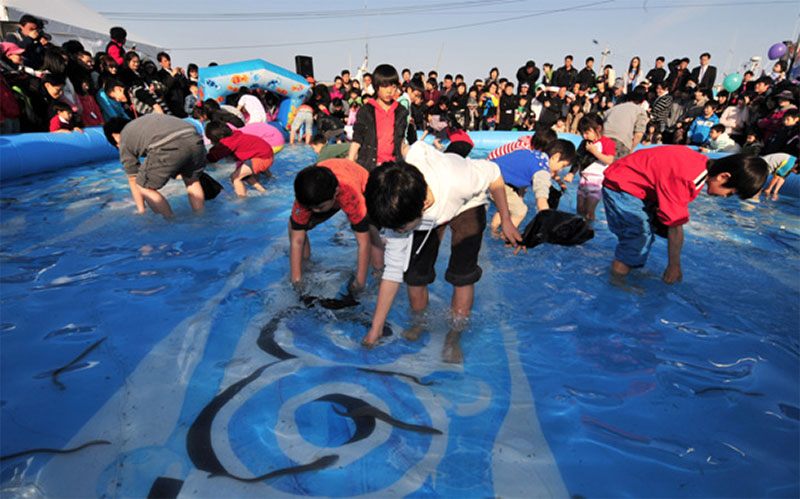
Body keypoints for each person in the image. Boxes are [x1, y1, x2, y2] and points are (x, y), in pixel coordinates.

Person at [360, 141, 523, 363]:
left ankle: (453, 336)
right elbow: (393, 272)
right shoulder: (398, 204)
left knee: (462, 274)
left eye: (399, 229)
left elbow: (494, 174)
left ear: (423, 205)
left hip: (467, 205)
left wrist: (505, 219)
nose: (396, 233)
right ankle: (419, 323)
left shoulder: (460, 180)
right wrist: (375, 329)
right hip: (425, 212)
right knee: (414, 275)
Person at [602, 148, 767, 284]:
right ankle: (617, 282)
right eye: (730, 192)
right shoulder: (687, 178)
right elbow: (675, 225)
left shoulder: (699, 164)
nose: (726, 197)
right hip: (622, 186)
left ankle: (624, 269)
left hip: (633, 184)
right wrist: (674, 266)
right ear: (723, 176)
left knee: (646, 234)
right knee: (637, 238)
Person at [290, 159, 375, 292]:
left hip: (360, 182)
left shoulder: (351, 196)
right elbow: (297, 240)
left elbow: (363, 243)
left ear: (335, 194)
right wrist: (296, 280)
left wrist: (360, 283)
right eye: (311, 207)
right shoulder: (305, 196)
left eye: (319, 207)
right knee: (294, 225)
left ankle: (378, 269)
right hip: (328, 183)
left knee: (371, 230)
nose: (314, 211)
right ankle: (306, 261)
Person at [103, 115, 206, 217]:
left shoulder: (124, 138)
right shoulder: (144, 122)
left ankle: (170, 222)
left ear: (115, 136)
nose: (118, 146)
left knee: (143, 186)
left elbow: (133, 178)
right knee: (192, 181)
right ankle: (200, 217)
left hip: (168, 145)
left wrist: (141, 210)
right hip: (194, 138)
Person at [488, 138, 576, 233]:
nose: (560, 170)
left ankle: (493, 231)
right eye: (562, 166)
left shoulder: (534, 154)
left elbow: (516, 169)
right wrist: (552, 224)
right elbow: (541, 203)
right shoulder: (542, 171)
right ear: (556, 157)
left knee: (509, 206)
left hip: (485, 173)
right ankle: (506, 238)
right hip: (495, 181)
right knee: (520, 211)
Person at [348, 64, 409, 171]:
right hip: (369, 166)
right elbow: (357, 139)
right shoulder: (366, 111)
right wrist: (350, 162)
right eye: (385, 86)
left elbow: (401, 141)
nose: (390, 91)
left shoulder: (401, 111)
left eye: (393, 86)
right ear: (376, 87)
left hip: (393, 168)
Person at [564, 115, 615, 221]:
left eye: (587, 133)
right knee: (580, 209)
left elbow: (609, 160)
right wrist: (571, 173)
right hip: (584, 180)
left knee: (589, 211)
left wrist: (595, 152)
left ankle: (590, 230)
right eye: (582, 133)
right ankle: (580, 229)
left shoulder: (607, 142)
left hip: (596, 181)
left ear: (599, 129)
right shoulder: (584, 144)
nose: (584, 136)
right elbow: (578, 159)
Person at [205, 120, 274, 196]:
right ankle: (263, 190)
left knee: (236, 177)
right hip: (266, 154)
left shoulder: (227, 143)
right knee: (244, 174)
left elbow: (214, 156)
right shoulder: (234, 135)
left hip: (262, 158)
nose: (211, 142)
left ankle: (242, 200)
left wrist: (206, 159)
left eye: (211, 139)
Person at [603, 88, 649, 158]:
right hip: (621, 142)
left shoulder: (613, 108)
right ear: (641, 103)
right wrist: (631, 149)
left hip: (603, 138)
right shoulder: (640, 111)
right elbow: (638, 134)